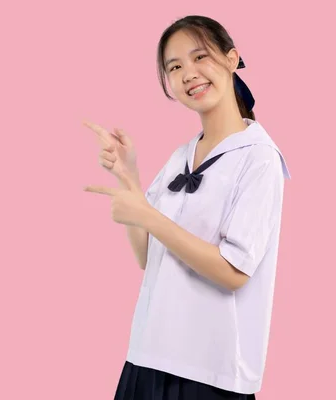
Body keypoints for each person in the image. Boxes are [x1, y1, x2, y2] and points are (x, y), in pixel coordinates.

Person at [83, 15, 291, 400]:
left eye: (200, 57)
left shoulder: (258, 157)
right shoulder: (182, 155)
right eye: (174, 67)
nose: (188, 74)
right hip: (147, 355)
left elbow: (233, 272)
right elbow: (148, 255)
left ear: (232, 59)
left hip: (209, 372)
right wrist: (129, 179)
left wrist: (146, 214)